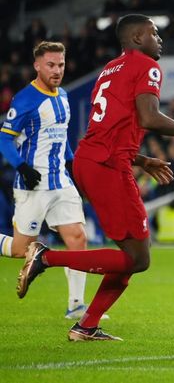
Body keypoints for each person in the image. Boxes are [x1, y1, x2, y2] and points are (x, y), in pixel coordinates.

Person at [16, 14, 174, 342]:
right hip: (107, 166)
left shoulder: (109, 69)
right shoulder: (145, 65)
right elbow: (149, 117)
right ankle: (46, 257)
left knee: (130, 257)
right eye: (154, 33)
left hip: (91, 161)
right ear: (136, 38)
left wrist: (142, 158)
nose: (159, 39)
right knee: (138, 257)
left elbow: (111, 127)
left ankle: (86, 326)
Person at [0, 41, 101, 320]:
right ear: (37, 66)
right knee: (21, 249)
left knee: (78, 239)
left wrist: (72, 165)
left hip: (61, 182)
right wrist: (22, 167)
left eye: (61, 65)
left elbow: (61, 137)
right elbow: (3, 138)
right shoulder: (25, 99)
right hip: (33, 186)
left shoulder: (64, 96)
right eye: (51, 65)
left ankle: (76, 306)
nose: (57, 70)